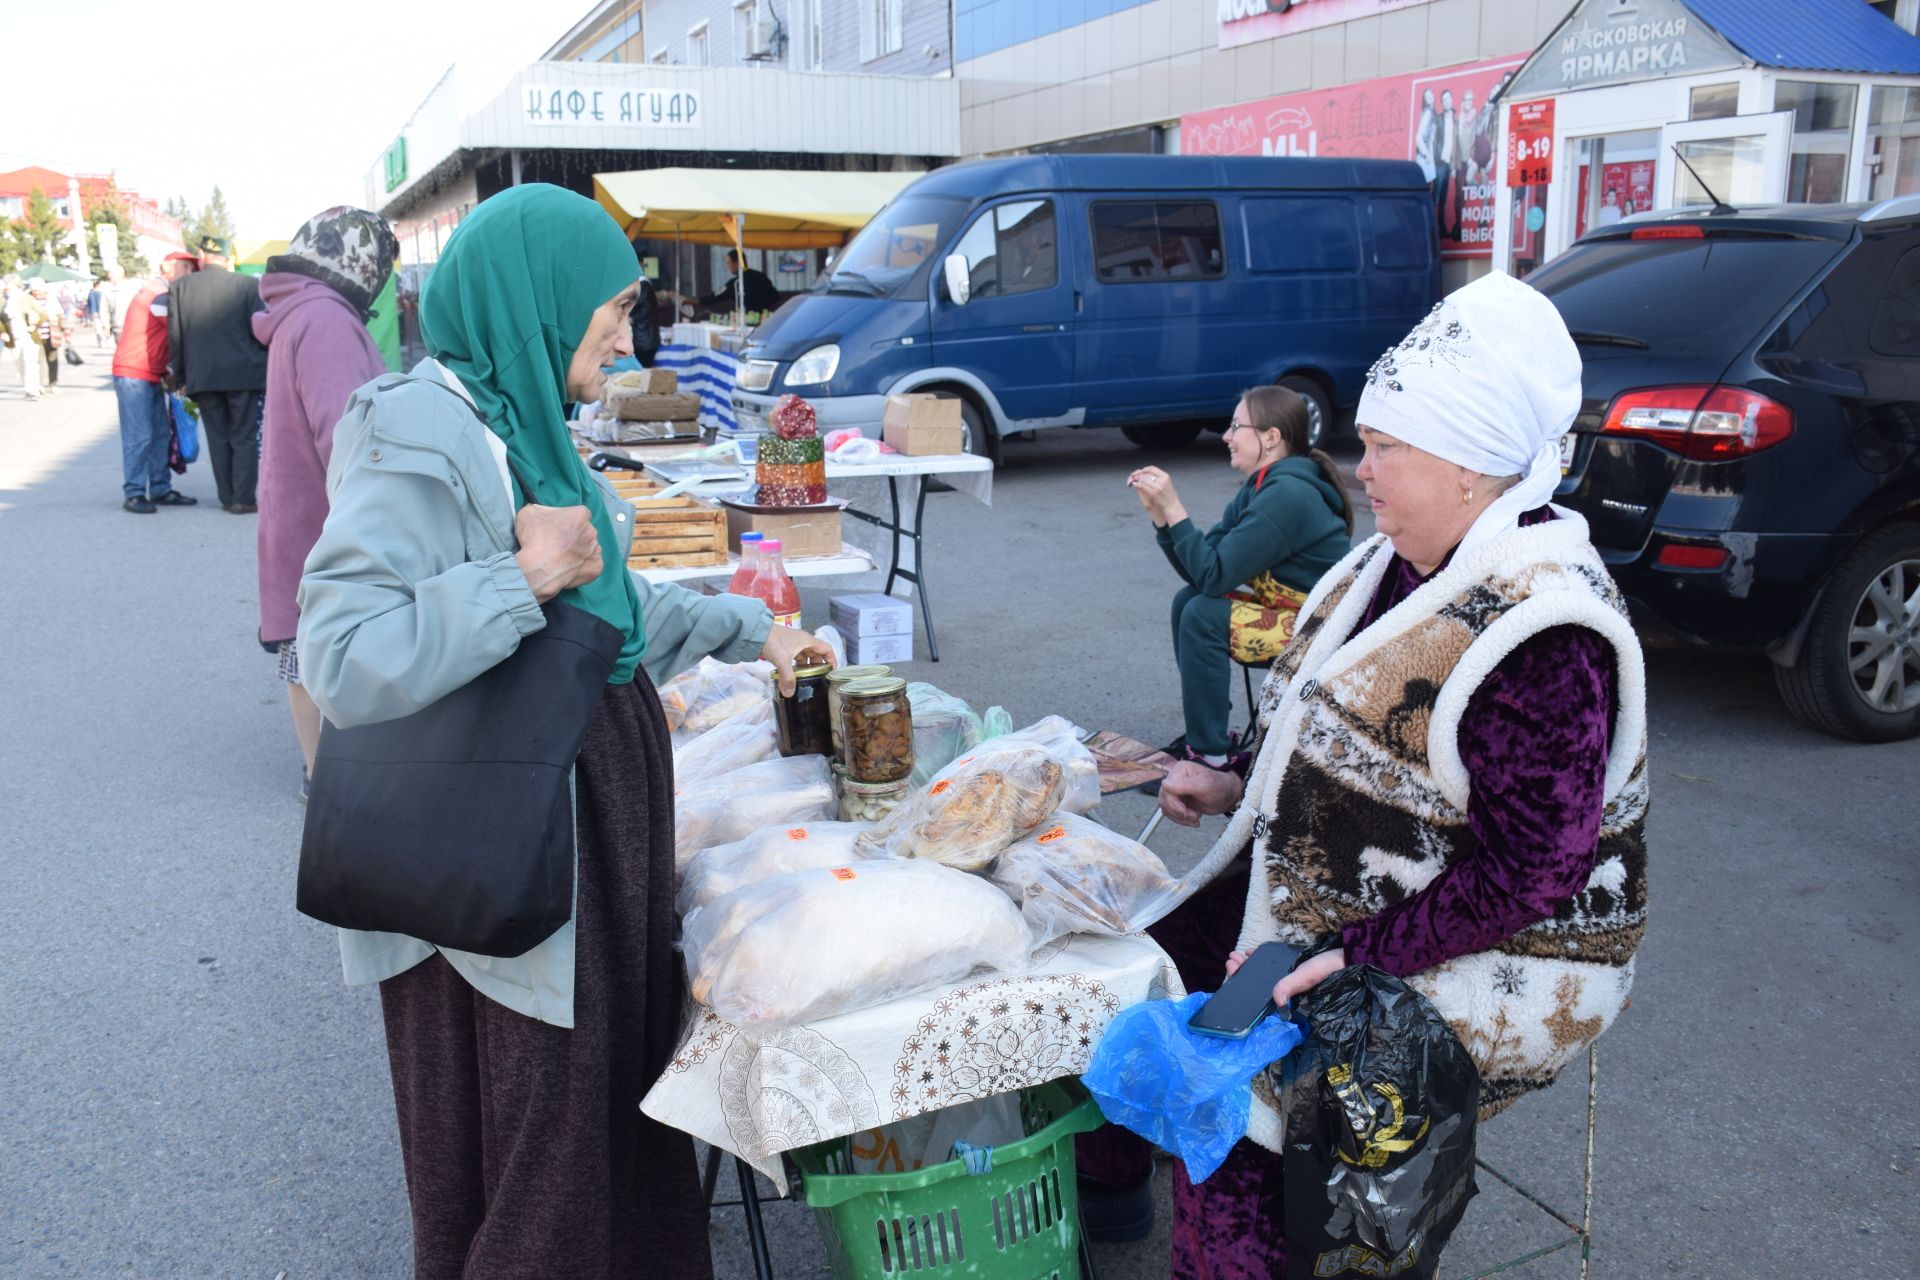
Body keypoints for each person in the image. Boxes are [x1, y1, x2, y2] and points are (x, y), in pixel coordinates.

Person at [297, 184, 831, 1279]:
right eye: (615, 310)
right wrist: (524, 572)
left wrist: (756, 626)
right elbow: (341, 656)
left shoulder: (523, 425)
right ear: (539, 302)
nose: (626, 339)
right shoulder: (418, 431)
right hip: (507, 847)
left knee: (588, 1128)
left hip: (580, 832)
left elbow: (610, 613)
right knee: (538, 1154)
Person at [1153, 272, 1650, 1278]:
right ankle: (1132, 1188)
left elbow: (1532, 875)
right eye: (1366, 442)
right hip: (1338, 895)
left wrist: (1356, 954)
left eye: (1385, 448)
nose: (1359, 470)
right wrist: (1236, 782)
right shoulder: (1388, 558)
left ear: (1470, 466)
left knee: (1245, 1143)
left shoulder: (1543, 630)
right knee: (1145, 963)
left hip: (1493, 948)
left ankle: (1284, 1239)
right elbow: (1328, 718)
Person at [252, 207, 399, 792]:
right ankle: (330, 780)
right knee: (320, 644)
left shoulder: (302, 311)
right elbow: (346, 431)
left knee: (306, 643)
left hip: (302, 510)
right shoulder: (325, 320)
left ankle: (324, 773)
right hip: (325, 515)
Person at [1128, 386, 1352, 768]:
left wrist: (1176, 508)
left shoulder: (1289, 494)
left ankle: (1210, 756)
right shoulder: (1263, 485)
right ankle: (1209, 737)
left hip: (1319, 629)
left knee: (1201, 613)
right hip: (1289, 611)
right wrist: (1162, 517)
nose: (1227, 436)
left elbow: (1214, 578)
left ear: (1271, 437)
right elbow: (1204, 573)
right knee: (1189, 601)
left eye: (1236, 426)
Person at [168, 234, 268, 513]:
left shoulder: (181, 287)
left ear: (202, 256)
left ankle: (226, 496)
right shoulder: (248, 286)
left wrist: (181, 379)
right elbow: (260, 332)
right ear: (228, 259)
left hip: (204, 376)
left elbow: (175, 337)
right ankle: (244, 499)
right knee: (244, 435)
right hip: (244, 374)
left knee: (217, 436)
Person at [114, 252, 203, 513]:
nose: (189, 274)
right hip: (135, 373)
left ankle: (160, 488)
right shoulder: (158, 294)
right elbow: (181, 331)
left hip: (148, 373)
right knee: (139, 436)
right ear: (167, 267)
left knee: (160, 434)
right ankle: (134, 493)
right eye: (185, 268)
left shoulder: (160, 292)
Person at [694, 248, 780, 316]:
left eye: (729, 263)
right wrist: (764, 310)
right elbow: (775, 296)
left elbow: (715, 297)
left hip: (745, 322)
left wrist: (692, 301)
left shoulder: (735, 283)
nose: (728, 266)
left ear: (736, 263)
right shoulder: (761, 276)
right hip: (764, 321)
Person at [3, 275, 43, 401]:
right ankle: (27, 387)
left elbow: (42, 314)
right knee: (20, 365)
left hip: (28, 336)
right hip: (13, 338)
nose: (7, 287)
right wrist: (2, 332)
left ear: (16, 285)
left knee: (30, 363)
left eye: (9, 285)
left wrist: (34, 324)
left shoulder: (27, 299)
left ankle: (34, 390)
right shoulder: (4, 301)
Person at [29, 280, 66, 392]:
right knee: (37, 361)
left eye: (38, 290)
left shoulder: (52, 299)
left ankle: (53, 382)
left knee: (52, 359)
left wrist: (65, 329)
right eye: (34, 291)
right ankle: (39, 384)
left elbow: (60, 314)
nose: (37, 293)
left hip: (52, 333)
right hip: (35, 335)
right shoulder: (29, 300)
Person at [629, 266, 661, 367]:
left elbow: (644, 311)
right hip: (646, 337)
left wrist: (631, 318)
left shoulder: (642, 285)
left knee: (643, 369)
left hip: (643, 338)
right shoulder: (646, 284)